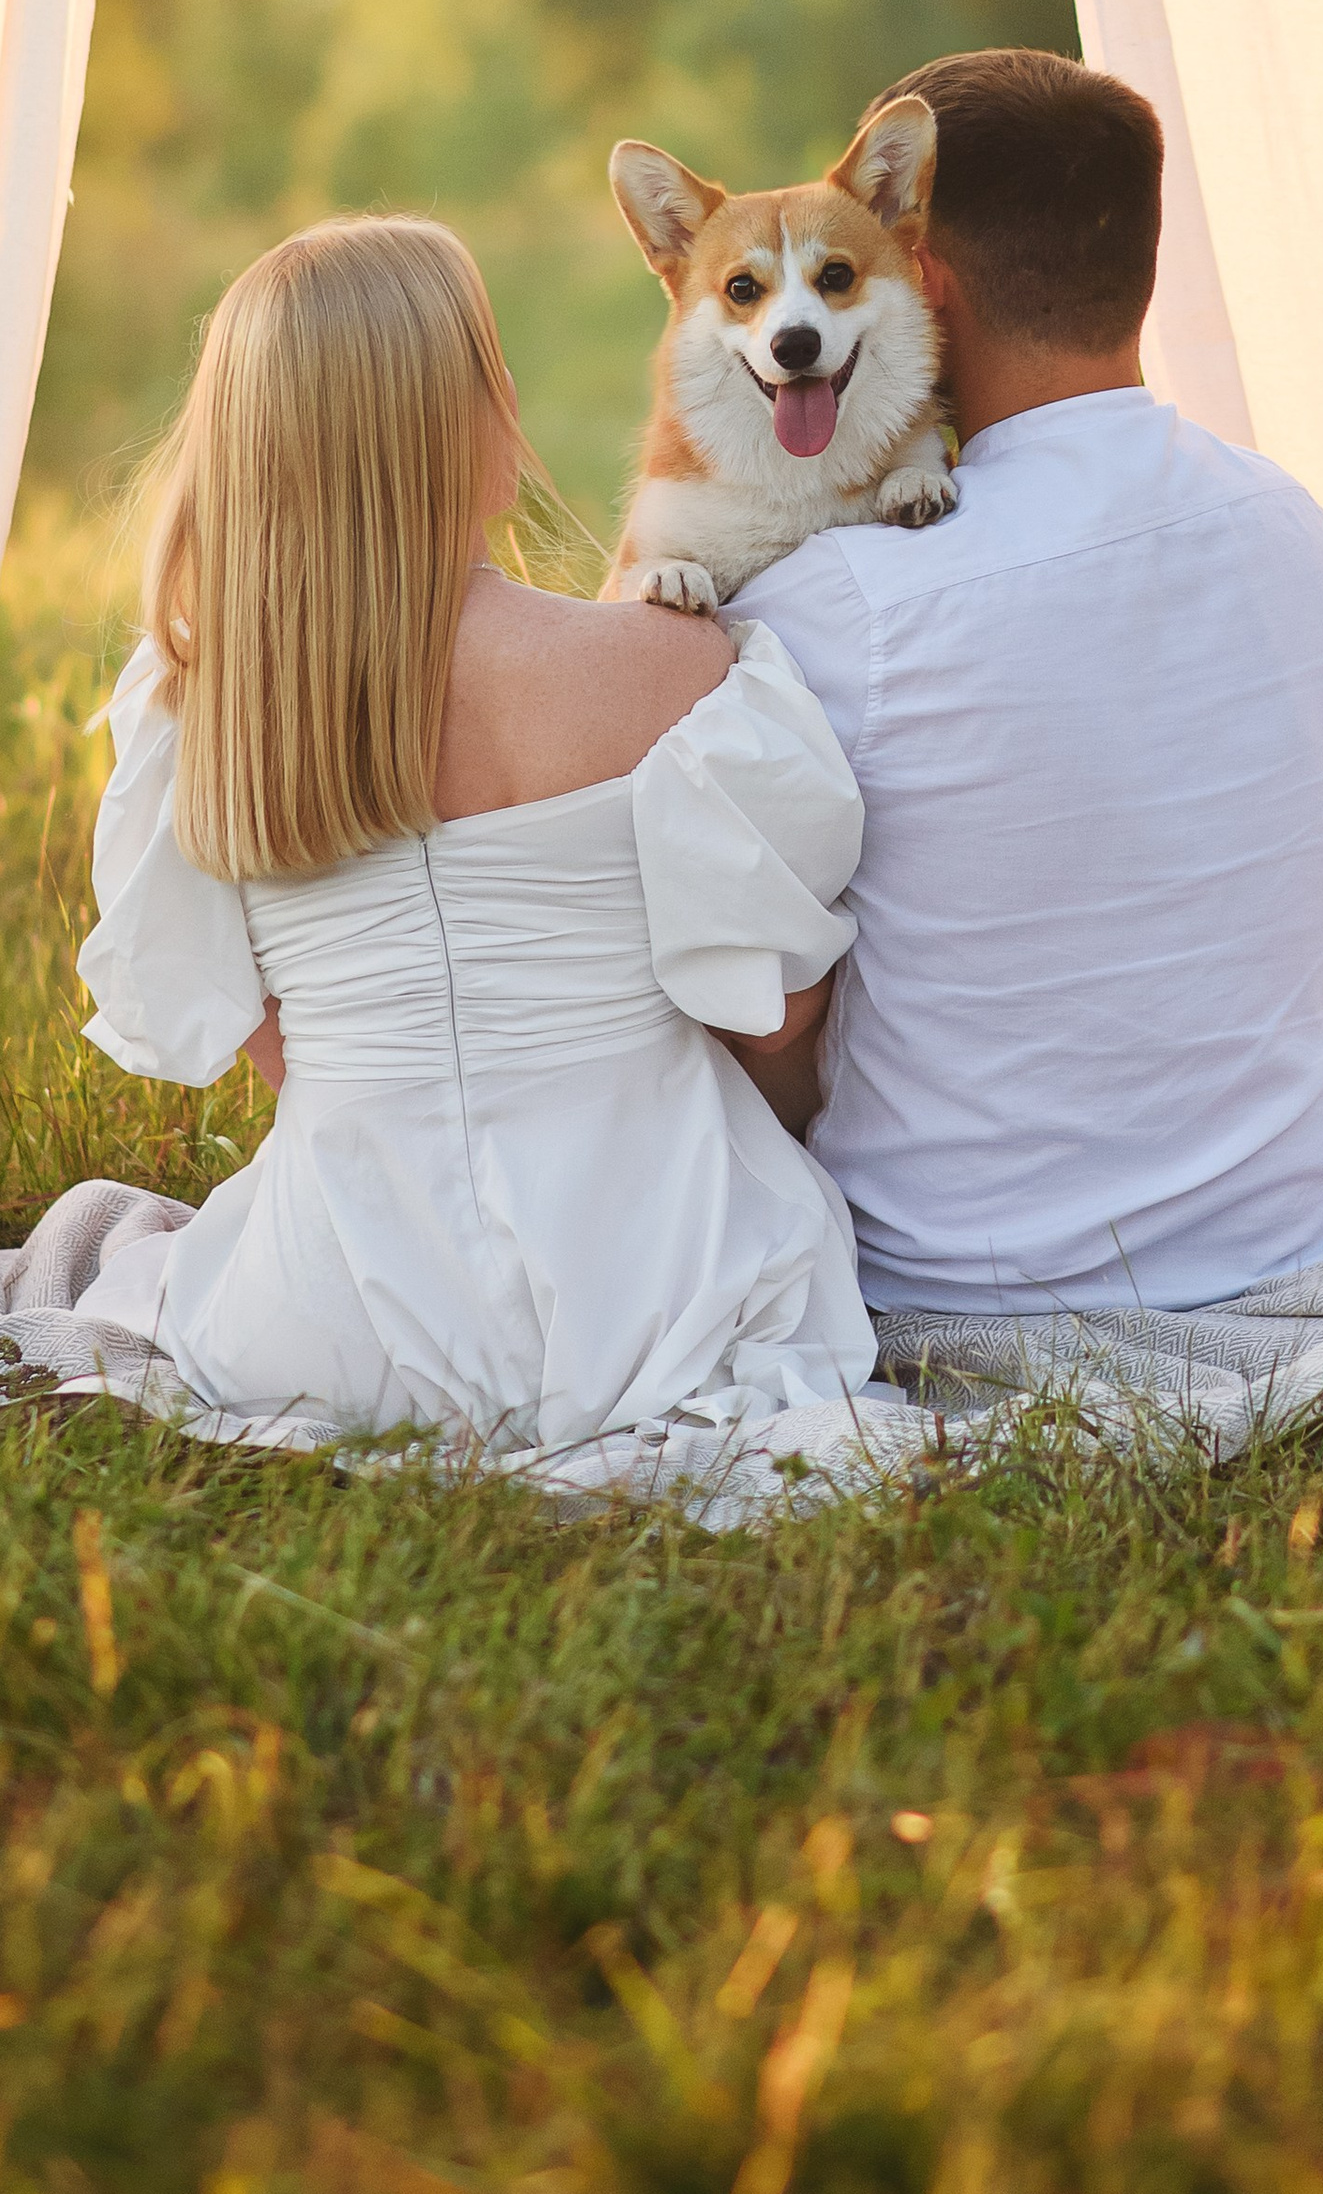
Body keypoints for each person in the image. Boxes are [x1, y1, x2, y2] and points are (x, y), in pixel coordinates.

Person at [76, 216, 874, 1446]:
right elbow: (772, 1015)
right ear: (475, 420)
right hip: (657, 1289)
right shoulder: (672, 669)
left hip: (318, 1318)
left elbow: (246, 1021)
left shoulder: (200, 706)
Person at [731, 47, 1323, 1320]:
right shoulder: (1294, 524)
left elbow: (759, 1017)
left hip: (954, 1278)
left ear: (917, 278)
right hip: (1304, 1226)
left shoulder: (836, 603)